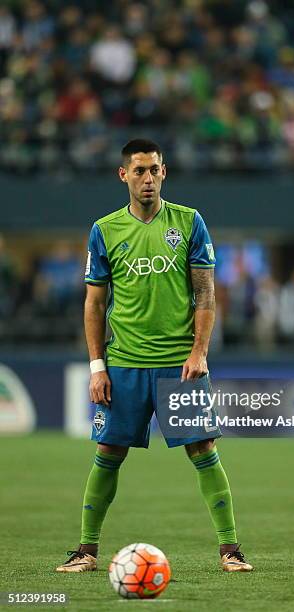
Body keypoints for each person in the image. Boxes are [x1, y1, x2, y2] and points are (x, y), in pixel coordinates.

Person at [56, 138, 253, 573]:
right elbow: (93, 303)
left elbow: (205, 292)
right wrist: (97, 366)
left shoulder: (188, 222)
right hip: (124, 364)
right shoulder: (104, 229)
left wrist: (199, 351)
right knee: (108, 452)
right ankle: (86, 551)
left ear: (164, 173)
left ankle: (230, 550)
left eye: (155, 170)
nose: (148, 178)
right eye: (140, 170)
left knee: (204, 448)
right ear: (123, 175)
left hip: (178, 365)